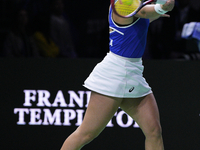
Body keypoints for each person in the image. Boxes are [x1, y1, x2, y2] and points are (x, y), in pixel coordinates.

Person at [60, 0, 175, 150]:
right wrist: (161, 7)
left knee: (154, 131)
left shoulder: (135, 6)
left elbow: (148, 16)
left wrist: (162, 7)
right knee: (85, 135)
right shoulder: (123, 3)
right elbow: (146, 12)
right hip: (114, 74)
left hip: (133, 74)